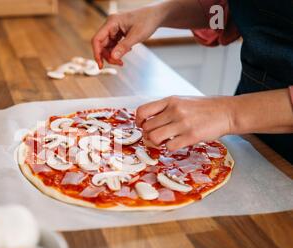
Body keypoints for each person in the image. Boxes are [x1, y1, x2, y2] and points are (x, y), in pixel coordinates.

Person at [91, 0, 293, 163]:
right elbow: (230, 13)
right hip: (250, 137)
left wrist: (230, 114)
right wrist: (161, 12)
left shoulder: (231, 114)